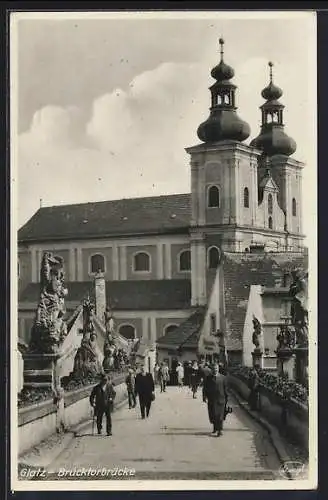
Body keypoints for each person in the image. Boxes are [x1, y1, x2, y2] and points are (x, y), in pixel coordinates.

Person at [203, 363, 228, 437]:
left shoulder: (223, 378)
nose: (215, 370)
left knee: (220, 416)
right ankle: (215, 428)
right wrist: (204, 397)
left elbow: (226, 389)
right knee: (213, 415)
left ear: (218, 369)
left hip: (221, 399)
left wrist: (227, 400)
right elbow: (205, 388)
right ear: (212, 370)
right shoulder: (208, 378)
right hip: (212, 399)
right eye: (214, 369)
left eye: (216, 368)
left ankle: (220, 430)